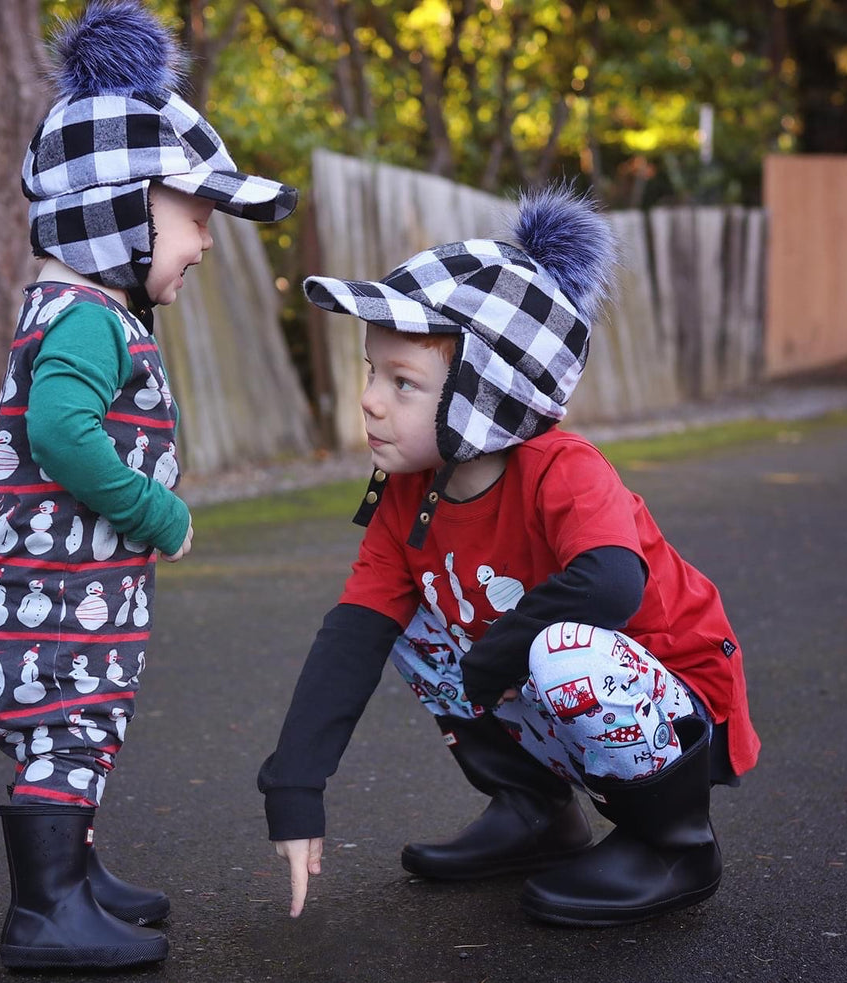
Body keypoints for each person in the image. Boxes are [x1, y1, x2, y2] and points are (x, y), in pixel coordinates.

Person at [257, 186, 759, 928]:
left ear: (483, 398)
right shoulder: (410, 494)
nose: (368, 400)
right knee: (409, 626)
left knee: (562, 647)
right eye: (372, 372)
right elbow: (354, 631)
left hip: (672, 708)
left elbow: (612, 582)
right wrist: (293, 786)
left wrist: (491, 660)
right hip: (544, 680)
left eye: (402, 383)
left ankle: (673, 843)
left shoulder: (562, 468)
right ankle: (537, 812)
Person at [0, 0, 296, 971]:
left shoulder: (81, 310)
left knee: (79, 738)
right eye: (194, 217)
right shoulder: (87, 319)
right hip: (46, 609)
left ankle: (75, 876)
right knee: (68, 734)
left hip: (57, 598)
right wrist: (157, 511)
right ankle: (44, 914)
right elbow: (59, 433)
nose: (205, 241)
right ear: (115, 213)